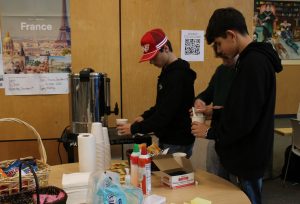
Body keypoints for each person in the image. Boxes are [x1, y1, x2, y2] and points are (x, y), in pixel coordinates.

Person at [191, 7, 282, 204]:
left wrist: (210, 132)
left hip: (246, 158)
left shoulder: (254, 64)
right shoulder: (249, 62)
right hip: (243, 154)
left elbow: (243, 119)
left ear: (231, 35)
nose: (219, 50)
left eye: (219, 43)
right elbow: (242, 109)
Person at [117, 28, 196, 158]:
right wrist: (145, 116)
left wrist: (134, 128)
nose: (151, 62)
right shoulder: (167, 72)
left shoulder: (179, 75)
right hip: (168, 137)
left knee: (171, 176)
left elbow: (165, 114)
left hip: (177, 140)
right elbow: (161, 105)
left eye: (153, 57)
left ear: (165, 48)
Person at [193, 44, 237, 180]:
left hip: (236, 136)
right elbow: (208, 92)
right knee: (215, 179)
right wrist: (200, 100)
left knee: (240, 189)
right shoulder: (221, 70)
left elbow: (241, 110)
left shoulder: (245, 72)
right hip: (215, 134)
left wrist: (214, 112)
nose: (223, 61)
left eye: (225, 57)